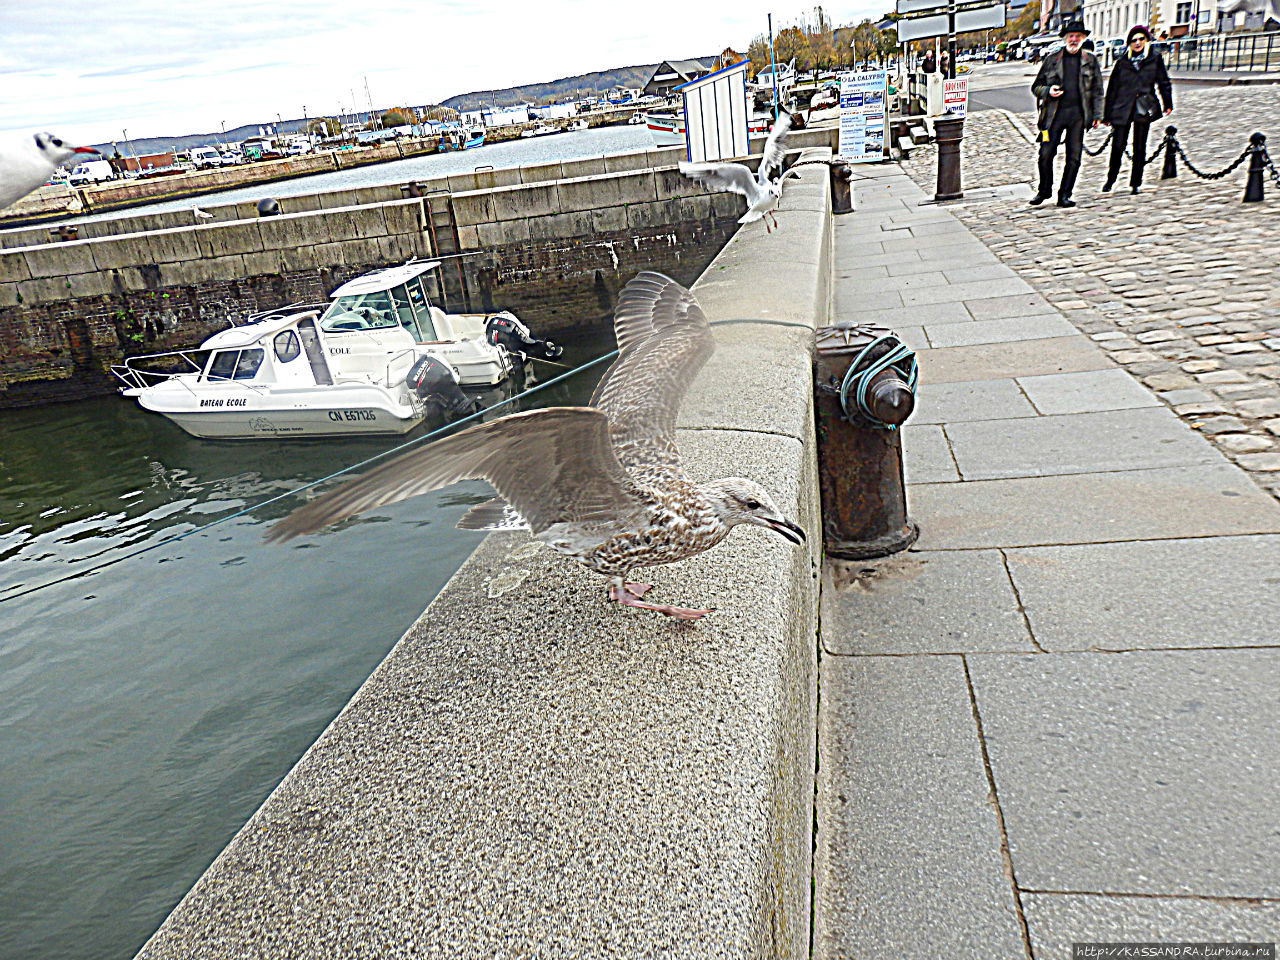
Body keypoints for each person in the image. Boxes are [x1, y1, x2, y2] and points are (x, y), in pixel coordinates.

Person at [1030, 19, 1104, 208]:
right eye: (1071, 36)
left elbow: (1097, 90)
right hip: (1053, 115)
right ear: (1065, 38)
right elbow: (1036, 87)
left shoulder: (1090, 60)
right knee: (1045, 155)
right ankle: (1044, 190)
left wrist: (1097, 115)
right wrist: (1048, 91)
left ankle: (1065, 194)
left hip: (1078, 116)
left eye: (1078, 36)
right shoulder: (1052, 60)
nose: (1074, 39)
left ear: (1083, 38)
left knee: (1074, 157)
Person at [1102, 24, 1173, 194]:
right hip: (1122, 106)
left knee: (1140, 146)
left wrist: (1167, 103)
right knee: (1117, 146)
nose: (1138, 43)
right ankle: (1111, 179)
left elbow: (1163, 82)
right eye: (1134, 40)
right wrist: (1106, 114)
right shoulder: (1122, 62)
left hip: (1143, 105)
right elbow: (1112, 89)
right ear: (1129, 43)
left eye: (1141, 39)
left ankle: (1136, 182)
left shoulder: (1154, 59)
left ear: (1146, 41)